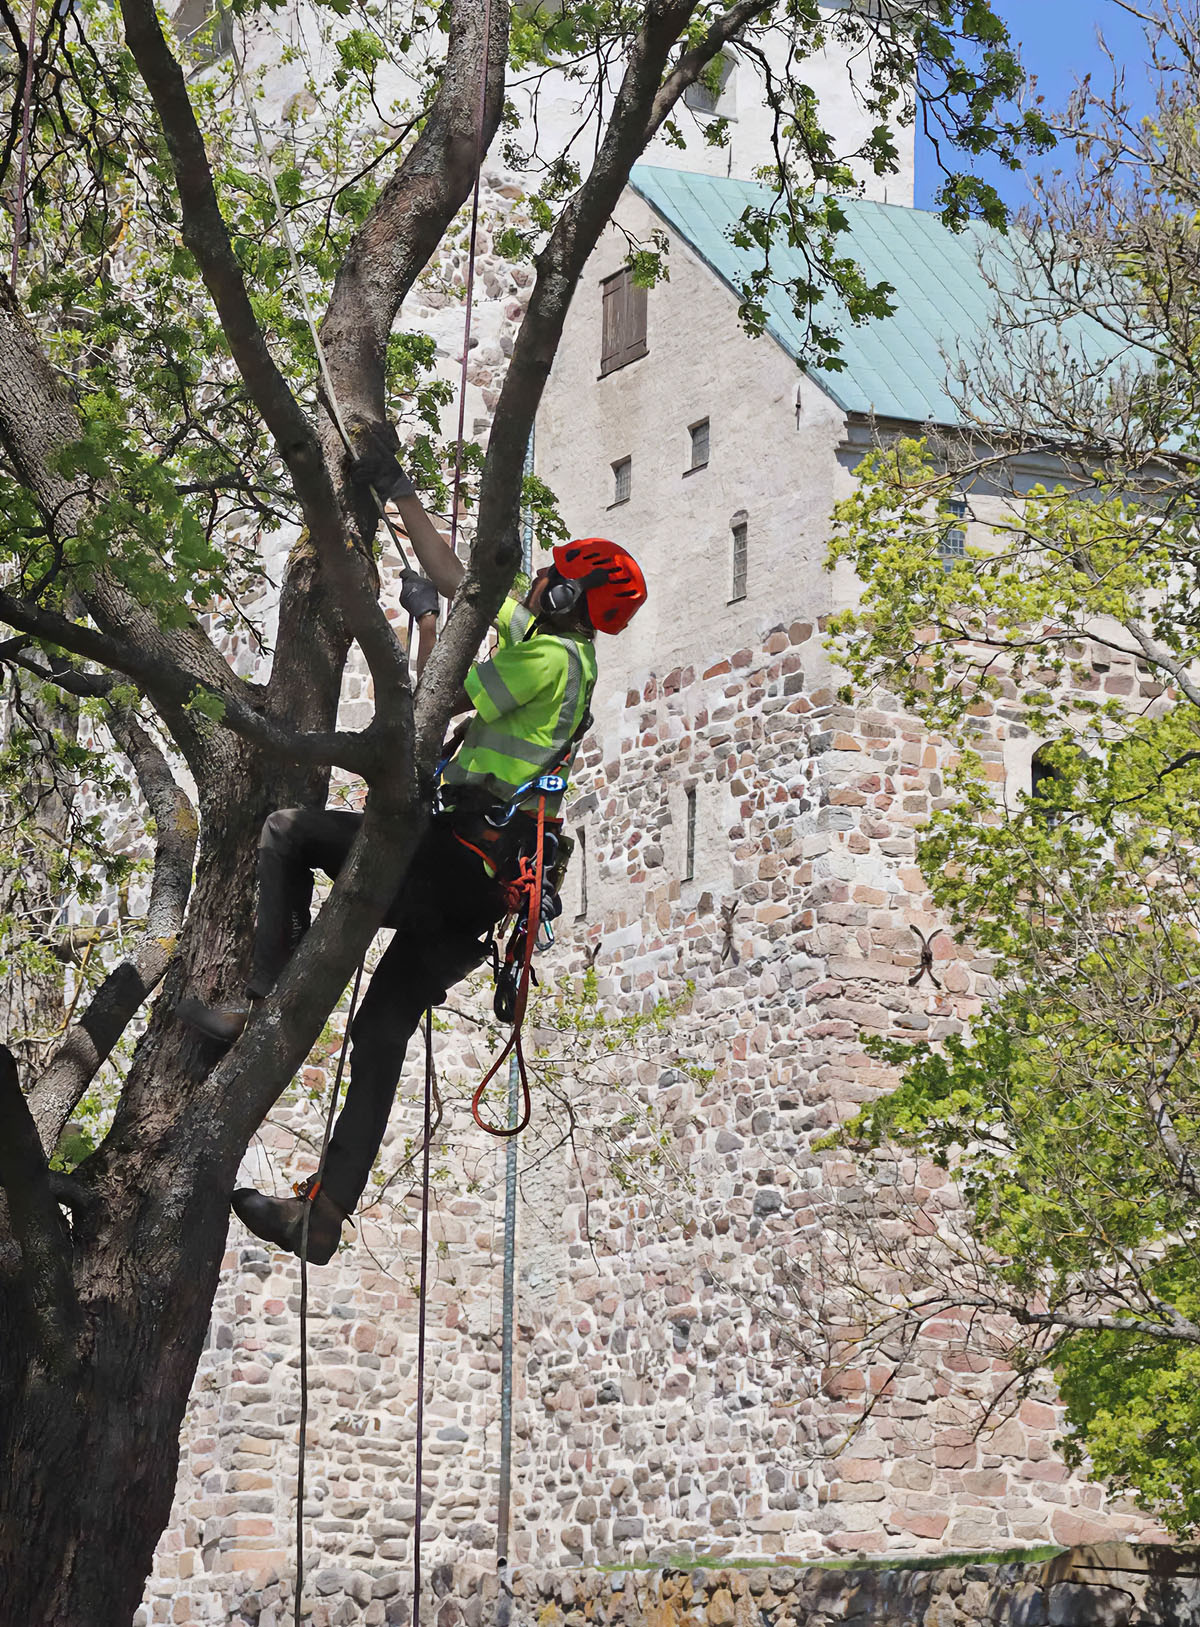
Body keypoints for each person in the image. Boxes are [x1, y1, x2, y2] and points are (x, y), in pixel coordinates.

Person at [178, 434, 648, 1262]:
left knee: (288, 832)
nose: (535, 578)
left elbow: (437, 698)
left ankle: (255, 999)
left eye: (550, 576)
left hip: (454, 862)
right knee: (382, 1030)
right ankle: (322, 1214)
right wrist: (397, 491)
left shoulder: (545, 661)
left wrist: (423, 622)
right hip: (479, 891)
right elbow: (470, 581)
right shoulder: (561, 651)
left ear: (570, 598)